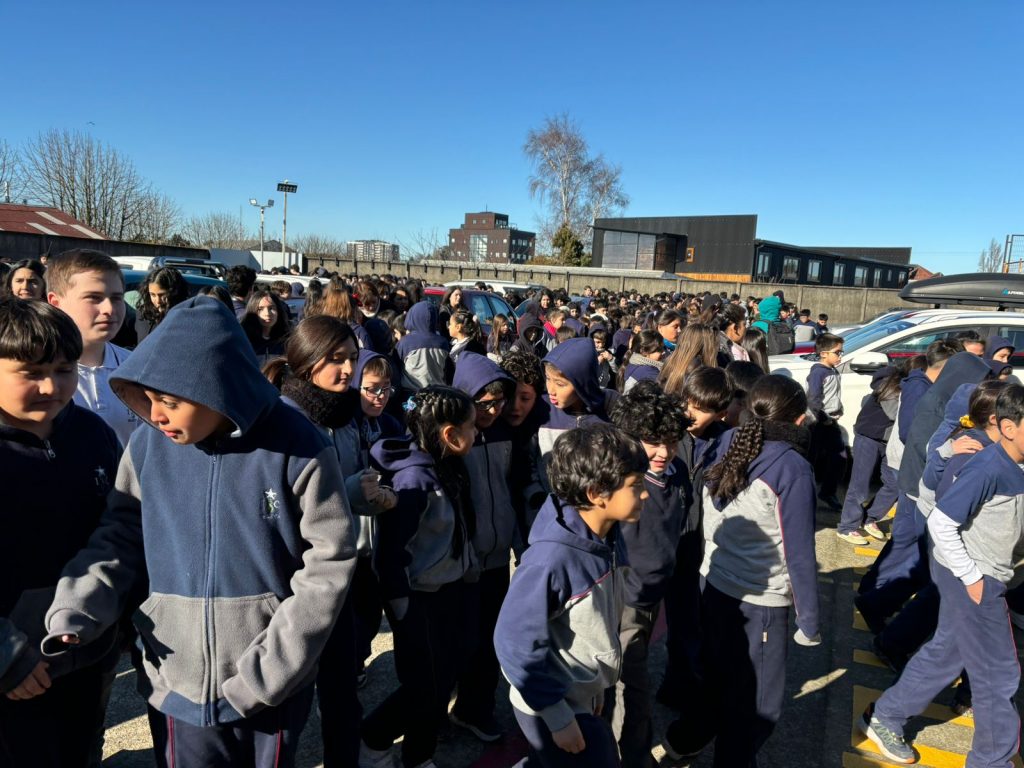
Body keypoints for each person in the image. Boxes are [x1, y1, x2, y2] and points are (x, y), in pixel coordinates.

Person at [42, 296, 357, 768]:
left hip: (269, 689)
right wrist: (79, 606)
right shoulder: (147, 446)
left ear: (217, 387)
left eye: (170, 401)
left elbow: (329, 561)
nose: (155, 414)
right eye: (149, 398)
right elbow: (120, 534)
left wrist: (272, 669)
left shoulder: (299, 446)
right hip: (175, 683)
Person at [859, 384, 1024, 767]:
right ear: (1008, 427)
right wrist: (972, 578)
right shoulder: (988, 466)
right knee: (998, 675)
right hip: (977, 577)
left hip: (977, 575)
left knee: (948, 654)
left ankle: (886, 716)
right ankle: (991, 760)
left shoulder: (1011, 465)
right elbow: (942, 521)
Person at [664, 375, 821, 767]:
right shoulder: (793, 468)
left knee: (715, 678)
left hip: (713, 581)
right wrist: (809, 620)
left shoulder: (728, 442)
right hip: (760, 599)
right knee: (755, 707)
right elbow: (799, 551)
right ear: (799, 420)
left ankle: (684, 740)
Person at [263, 317, 391, 768]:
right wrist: (346, 494)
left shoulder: (347, 416)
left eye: (352, 358)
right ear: (306, 361)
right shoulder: (284, 420)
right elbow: (275, 505)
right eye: (335, 359)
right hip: (294, 580)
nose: (347, 369)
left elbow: (348, 490)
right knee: (287, 701)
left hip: (340, 570)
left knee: (342, 690)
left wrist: (371, 495)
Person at [0, 297, 121, 768]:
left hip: (87, 653)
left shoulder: (93, 434)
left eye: (64, 369)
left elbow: (120, 529)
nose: (51, 386)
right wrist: (7, 654)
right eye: (31, 372)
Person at [494, 424, 649, 768]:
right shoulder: (552, 560)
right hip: (552, 705)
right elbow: (513, 642)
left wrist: (593, 689)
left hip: (580, 696)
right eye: (636, 485)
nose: (645, 495)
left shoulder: (607, 536)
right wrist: (558, 716)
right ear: (596, 493)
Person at [360, 386, 479, 768]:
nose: (477, 432)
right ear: (449, 434)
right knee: (424, 685)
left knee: (442, 679)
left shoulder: (448, 465)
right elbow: (390, 554)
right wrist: (402, 608)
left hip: (448, 590)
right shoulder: (415, 481)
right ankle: (374, 738)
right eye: (472, 426)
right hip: (417, 600)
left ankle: (417, 755)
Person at [607, 382, 691, 768]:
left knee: (629, 680)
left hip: (655, 591)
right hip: (625, 595)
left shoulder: (677, 472)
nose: (663, 452)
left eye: (671, 442)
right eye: (652, 442)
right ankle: (632, 756)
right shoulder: (621, 480)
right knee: (631, 687)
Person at [450, 353, 517, 743]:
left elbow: (512, 487)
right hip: (463, 560)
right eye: (484, 403)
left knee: (490, 640)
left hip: (496, 558)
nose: (493, 410)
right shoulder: (453, 437)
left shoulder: (507, 432)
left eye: (499, 402)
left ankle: (476, 709)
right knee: (461, 641)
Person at [46, 248, 141, 447]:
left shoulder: (137, 368)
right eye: (94, 298)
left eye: (117, 298)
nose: (109, 309)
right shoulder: (34, 375)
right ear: (55, 303)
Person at [837, 363, 904, 544]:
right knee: (860, 486)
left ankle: (869, 517)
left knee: (895, 483)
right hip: (869, 438)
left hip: (889, 442)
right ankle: (847, 527)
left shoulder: (903, 387)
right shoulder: (890, 387)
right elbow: (896, 414)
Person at [807, 333, 846, 510]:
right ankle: (804, 495)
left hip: (831, 422)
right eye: (837, 352)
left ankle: (828, 492)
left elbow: (833, 396)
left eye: (841, 352)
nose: (840, 356)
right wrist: (823, 419)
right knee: (811, 459)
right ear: (823, 353)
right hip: (818, 423)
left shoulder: (833, 370)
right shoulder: (818, 373)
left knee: (840, 458)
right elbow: (814, 400)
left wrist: (839, 409)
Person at [395, 301, 450, 397]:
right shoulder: (443, 342)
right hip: (437, 394)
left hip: (411, 394)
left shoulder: (405, 342)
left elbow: (397, 366)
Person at [134, 266, 188, 343]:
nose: (158, 301)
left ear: (174, 292)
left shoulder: (184, 317)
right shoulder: (143, 315)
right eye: (152, 295)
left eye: (162, 295)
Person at [241, 289, 291, 363]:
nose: (267, 313)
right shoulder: (244, 340)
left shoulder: (287, 340)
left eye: (271, 308)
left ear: (278, 310)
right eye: (260, 309)